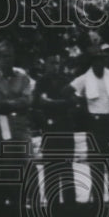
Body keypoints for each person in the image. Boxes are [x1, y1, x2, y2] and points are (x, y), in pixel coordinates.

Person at [70, 43, 109, 203]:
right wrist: (80, 104)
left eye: (101, 60)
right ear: (91, 63)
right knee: (96, 163)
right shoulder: (84, 78)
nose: (99, 64)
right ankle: (98, 200)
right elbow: (68, 90)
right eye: (95, 61)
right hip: (94, 123)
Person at [0, 40, 35, 208]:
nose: (5, 60)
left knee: (25, 159)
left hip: (21, 122)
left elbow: (28, 100)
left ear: (14, 58)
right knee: (7, 161)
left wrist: (7, 102)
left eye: (8, 56)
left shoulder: (22, 76)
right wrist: (15, 101)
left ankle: (26, 199)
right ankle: (7, 201)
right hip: (2, 123)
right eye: (1, 57)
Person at [33, 53, 79, 206]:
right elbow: (38, 103)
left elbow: (74, 101)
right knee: (51, 166)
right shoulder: (41, 82)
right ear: (45, 64)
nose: (55, 66)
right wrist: (62, 103)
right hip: (49, 128)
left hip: (65, 128)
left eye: (57, 63)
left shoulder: (66, 80)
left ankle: (70, 204)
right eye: (52, 62)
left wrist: (51, 103)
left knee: (67, 166)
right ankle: (52, 204)